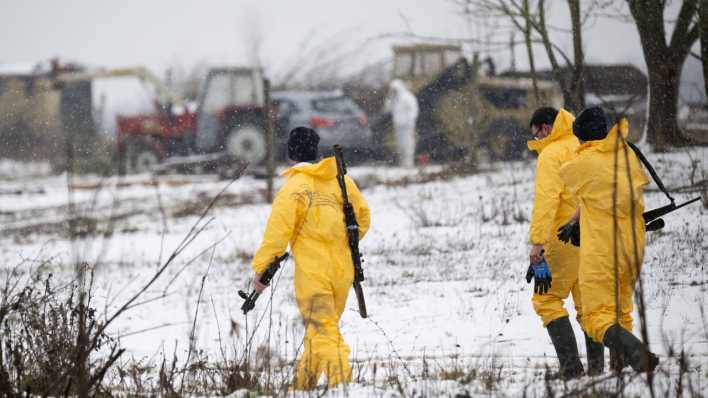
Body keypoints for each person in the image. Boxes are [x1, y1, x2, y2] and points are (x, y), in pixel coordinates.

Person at [250, 126, 371, 389]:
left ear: (290, 153)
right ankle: (303, 385)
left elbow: (277, 235)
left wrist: (261, 271)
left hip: (313, 273)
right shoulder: (342, 181)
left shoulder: (295, 188)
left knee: (323, 331)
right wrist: (340, 241)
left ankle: (344, 386)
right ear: (316, 151)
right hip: (343, 271)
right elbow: (363, 218)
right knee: (321, 329)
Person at [559, 106, 659, 373]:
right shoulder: (626, 154)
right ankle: (620, 371)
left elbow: (574, 177)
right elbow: (601, 193)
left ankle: (639, 355)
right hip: (633, 246)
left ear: (583, 137)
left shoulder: (583, 163)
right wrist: (576, 220)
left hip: (603, 250)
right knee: (621, 310)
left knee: (595, 317)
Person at [526, 107, 604, 378]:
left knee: (546, 299)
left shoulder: (551, 155)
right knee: (589, 305)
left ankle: (571, 368)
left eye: (535, 134)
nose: (535, 141)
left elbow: (546, 202)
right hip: (591, 235)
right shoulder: (582, 144)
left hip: (562, 238)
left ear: (546, 128)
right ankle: (597, 368)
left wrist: (537, 244)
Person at [387, 79, 419, 168]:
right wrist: (390, 98)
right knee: (400, 145)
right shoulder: (394, 99)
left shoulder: (407, 97)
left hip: (407, 126)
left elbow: (414, 110)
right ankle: (402, 163)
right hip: (398, 125)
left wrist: (411, 121)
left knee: (408, 144)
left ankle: (409, 163)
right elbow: (387, 109)